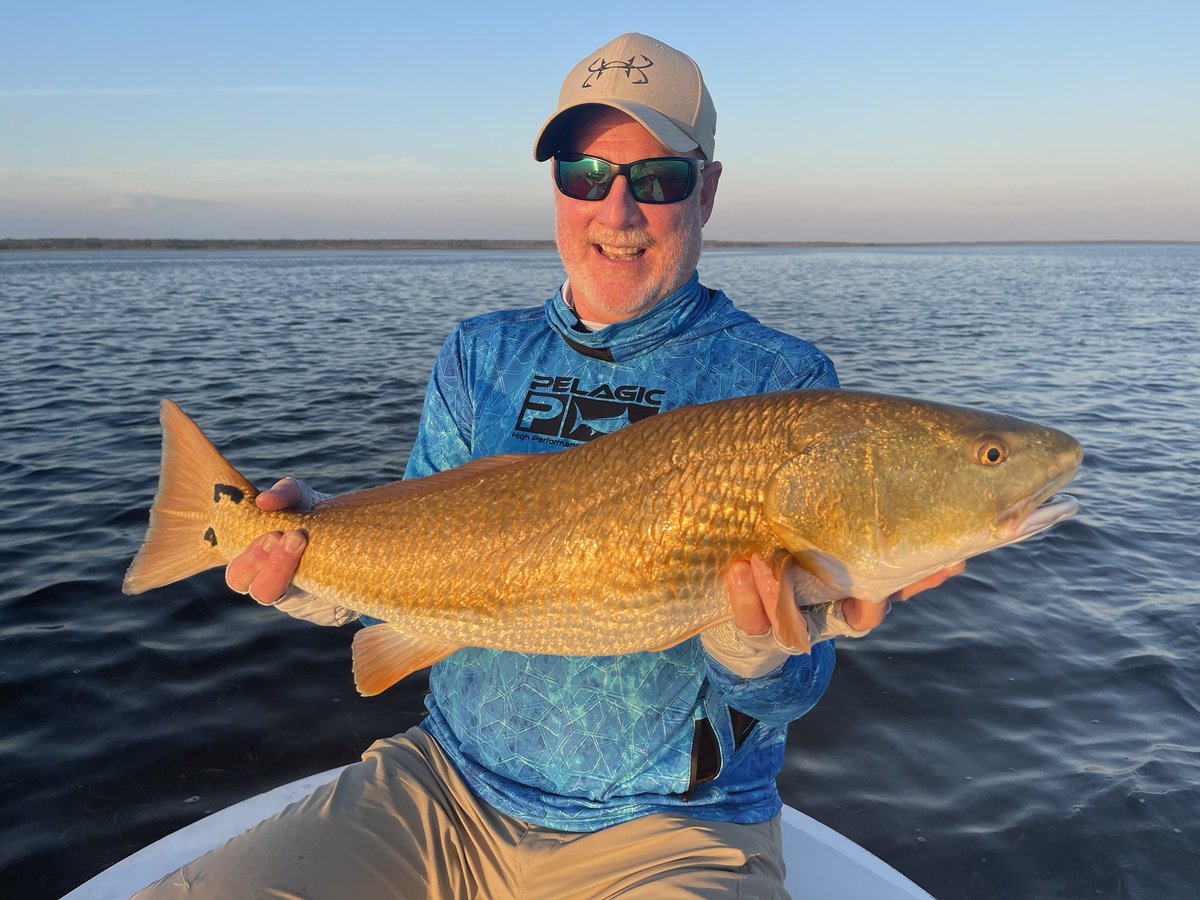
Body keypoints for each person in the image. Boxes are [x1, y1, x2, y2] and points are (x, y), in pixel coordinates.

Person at [135, 32, 958, 899]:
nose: (617, 211)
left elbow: (789, 699)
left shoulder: (782, 386)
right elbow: (416, 565)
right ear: (557, 186)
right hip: (441, 790)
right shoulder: (479, 354)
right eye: (585, 174)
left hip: (672, 833)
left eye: (658, 179)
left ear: (707, 190)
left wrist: (752, 647)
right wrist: (302, 567)